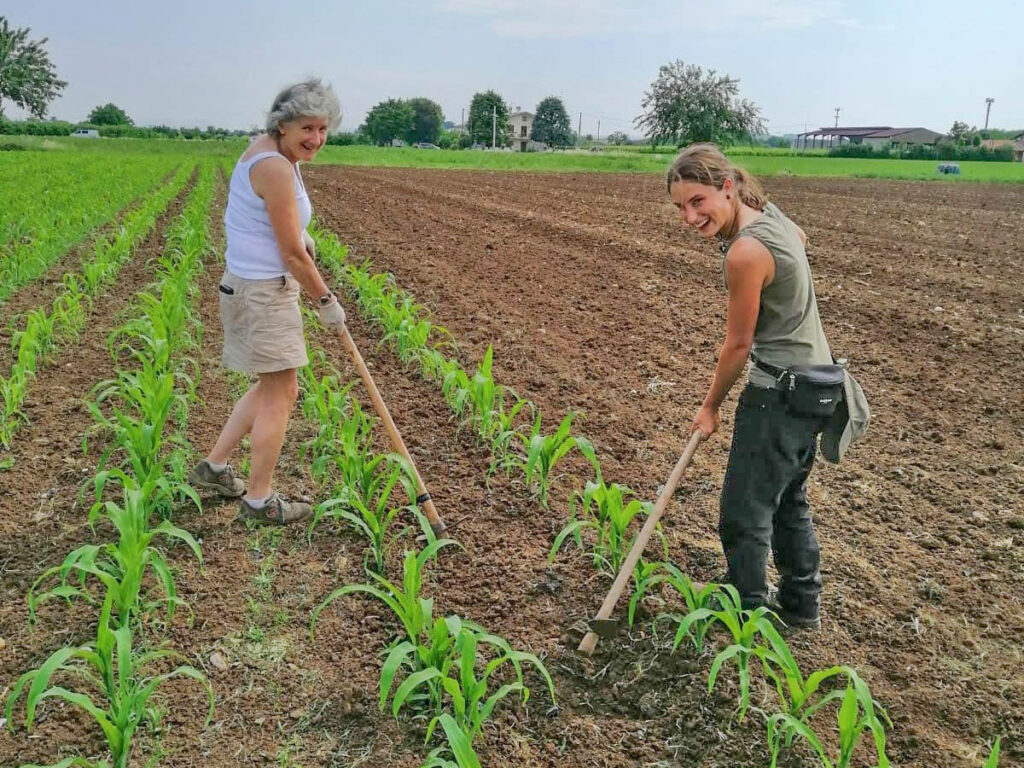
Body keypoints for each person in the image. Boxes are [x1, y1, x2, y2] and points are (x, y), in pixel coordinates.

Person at [668, 143, 834, 630]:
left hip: (779, 394)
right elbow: (799, 239)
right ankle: (802, 606)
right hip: (818, 386)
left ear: (726, 187)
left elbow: (737, 346)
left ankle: (745, 613)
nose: (690, 216)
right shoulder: (771, 217)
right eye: (680, 207)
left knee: (744, 510)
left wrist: (709, 407)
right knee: (787, 500)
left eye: (698, 201)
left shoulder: (744, 252)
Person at [189, 79, 347, 525]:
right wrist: (326, 300)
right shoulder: (276, 167)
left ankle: (214, 467)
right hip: (263, 292)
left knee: (270, 385)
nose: (316, 138)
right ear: (281, 124)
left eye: (323, 128)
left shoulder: (276, 154)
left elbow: (274, 224)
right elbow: (291, 254)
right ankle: (260, 501)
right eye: (306, 128)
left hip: (252, 285)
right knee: (283, 390)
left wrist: (301, 231)